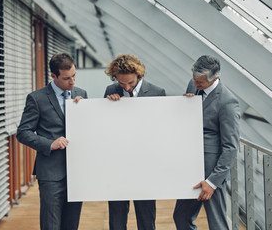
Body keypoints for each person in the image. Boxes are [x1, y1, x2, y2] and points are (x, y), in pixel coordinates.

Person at [17, 52, 87, 230]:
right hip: (50, 173)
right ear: (53, 76)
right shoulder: (37, 98)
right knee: (51, 225)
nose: (72, 82)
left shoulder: (81, 94)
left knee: (71, 225)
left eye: (74, 76)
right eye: (66, 78)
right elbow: (23, 132)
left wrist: (85, 110)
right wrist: (50, 143)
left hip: (77, 172)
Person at [173, 55, 240, 230]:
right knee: (181, 216)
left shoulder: (228, 102)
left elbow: (231, 147)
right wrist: (185, 105)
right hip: (191, 167)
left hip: (211, 173)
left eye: (200, 83)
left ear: (214, 78)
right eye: (194, 80)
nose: (195, 85)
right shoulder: (193, 84)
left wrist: (212, 182)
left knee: (217, 223)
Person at [103, 54, 166, 230]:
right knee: (117, 218)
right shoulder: (110, 90)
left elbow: (162, 130)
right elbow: (105, 127)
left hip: (145, 165)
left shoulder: (157, 93)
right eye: (122, 83)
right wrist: (110, 106)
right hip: (118, 165)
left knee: (146, 218)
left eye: (130, 83)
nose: (126, 87)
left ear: (139, 76)